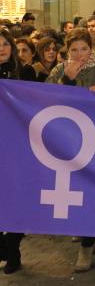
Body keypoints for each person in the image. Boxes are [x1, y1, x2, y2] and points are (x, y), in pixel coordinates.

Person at [46, 29, 95, 272]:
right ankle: (86, 230)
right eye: (74, 50)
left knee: (90, 191)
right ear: (67, 51)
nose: (79, 55)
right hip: (66, 141)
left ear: (92, 49)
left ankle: (86, 246)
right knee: (74, 189)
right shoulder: (59, 71)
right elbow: (44, 99)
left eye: (84, 49)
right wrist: (65, 80)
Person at [0, 28, 37, 274]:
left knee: (14, 201)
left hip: (17, 145)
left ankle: (12, 251)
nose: (1, 48)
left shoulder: (24, 72)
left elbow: (38, 101)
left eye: (4, 43)